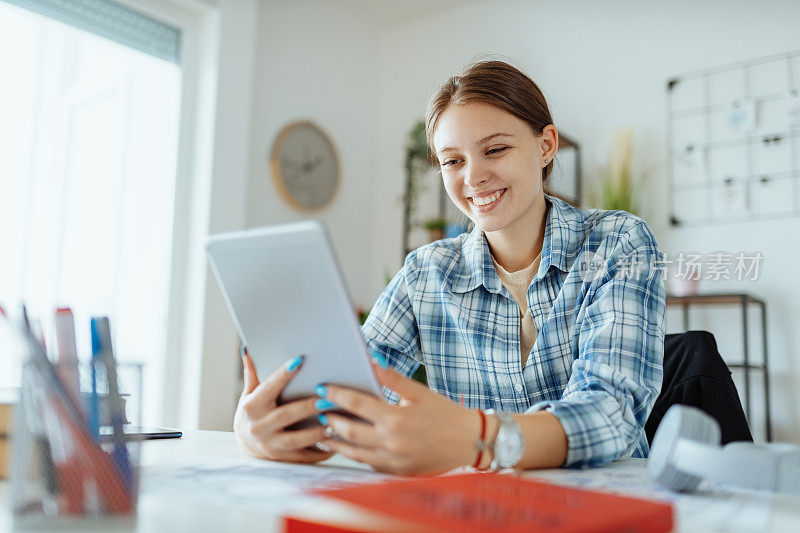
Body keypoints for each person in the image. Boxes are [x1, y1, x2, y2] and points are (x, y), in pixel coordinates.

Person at [234, 60, 666, 475]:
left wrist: (479, 439)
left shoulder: (617, 242)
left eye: (495, 149)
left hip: (605, 502)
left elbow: (612, 412)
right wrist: (269, 428)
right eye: (452, 160)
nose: (473, 177)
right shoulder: (426, 273)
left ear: (545, 145)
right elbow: (355, 394)